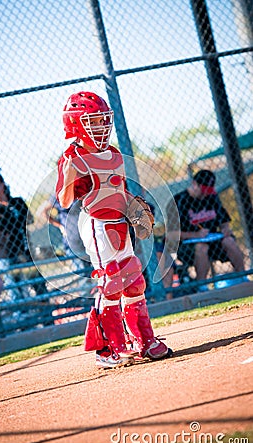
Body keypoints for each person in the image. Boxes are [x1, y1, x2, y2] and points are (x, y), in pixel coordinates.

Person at [55, 91, 172, 369]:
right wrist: (71, 174)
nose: (101, 127)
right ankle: (107, 348)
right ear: (76, 124)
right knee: (111, 282)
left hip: (119, 222)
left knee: (134, 280)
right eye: (93, 122)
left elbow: (118, 189)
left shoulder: (114, 153)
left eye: (103, 121)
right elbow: (64, 200)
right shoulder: (73, 156)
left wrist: (132, 206)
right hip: (96, 224)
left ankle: (142, 340)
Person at [166, 169, 246, 291]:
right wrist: (195, 235)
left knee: (229, 241)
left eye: (208, 191)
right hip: (188, 247)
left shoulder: (212, 197)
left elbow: (223, 220)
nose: (205, 195)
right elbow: (171, 234)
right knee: (202, 246)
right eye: (203, 190)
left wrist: (225, 230)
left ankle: (242, 277)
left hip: (214, 241)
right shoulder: (178, 201)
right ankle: (201, 286)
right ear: (194, 184)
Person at [0, 171, 47, 300]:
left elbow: (29, 220)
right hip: (7, 254)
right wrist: (15, 218)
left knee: (38, 283)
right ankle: (24, 315)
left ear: (2, 184)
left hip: (24, 249)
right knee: (17, 291)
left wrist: (10, 217)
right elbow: (1, 226)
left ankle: (47, 316)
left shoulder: (17, 201)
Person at [42, 195, 91, 273]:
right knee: (81, 272)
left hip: (85, 239)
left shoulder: (80, 191)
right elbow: (44, 212)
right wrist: (59, 226)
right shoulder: (58, 196)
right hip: (70, 240)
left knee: (91, 270)